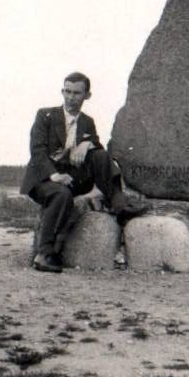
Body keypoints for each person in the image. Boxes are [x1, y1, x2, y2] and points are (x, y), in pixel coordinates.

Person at [21, 72, 117, 273]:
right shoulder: (45, 115)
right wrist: (54, 176)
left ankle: (116, 201)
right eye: (67, 91)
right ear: (62, 91)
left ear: (87, 96)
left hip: (73, 178)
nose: (71, 97)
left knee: (101, 155)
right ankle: (44, 254)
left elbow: (97, 147)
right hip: (44, 179)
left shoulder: (87, 122)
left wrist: (87, 143)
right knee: (61, 194)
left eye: (76, 93)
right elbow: (37, 151)